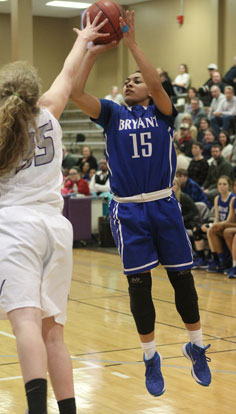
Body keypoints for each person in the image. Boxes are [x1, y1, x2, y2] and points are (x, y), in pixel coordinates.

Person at [71, 10, 211, 397]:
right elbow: (76, 93)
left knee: (183, 280)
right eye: (126, 80)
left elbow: (155, 82)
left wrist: (131, 44)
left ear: (150, 89)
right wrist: (93, 50)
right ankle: (150, 356)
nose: (130, 83)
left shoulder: (163, 112)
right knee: (139, 287)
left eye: (136, 80)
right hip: (129, 209)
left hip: (164, 205)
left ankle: (196, 346)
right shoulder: (113, 114)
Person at [0, 14, 108, 414]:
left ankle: (35, 410)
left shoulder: (1, 129)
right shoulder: (48, 111)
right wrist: (85, 40)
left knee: (25, 322)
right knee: (54, 334)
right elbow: (66, 74)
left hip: (16, 226)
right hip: (57, 229)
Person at [192, 176, 233, 270]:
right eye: (219, 184)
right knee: (198, 229)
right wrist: (212, 225)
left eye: (224, 184)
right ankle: (207, 259)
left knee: (211, 230)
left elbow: (230, 220)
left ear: (229, 186)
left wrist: (213, 226)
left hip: (228, 225)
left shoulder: (232, 198)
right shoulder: (217, 198)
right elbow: (217, 218)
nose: (222, 186)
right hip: (220, 225)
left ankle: (218, 260)